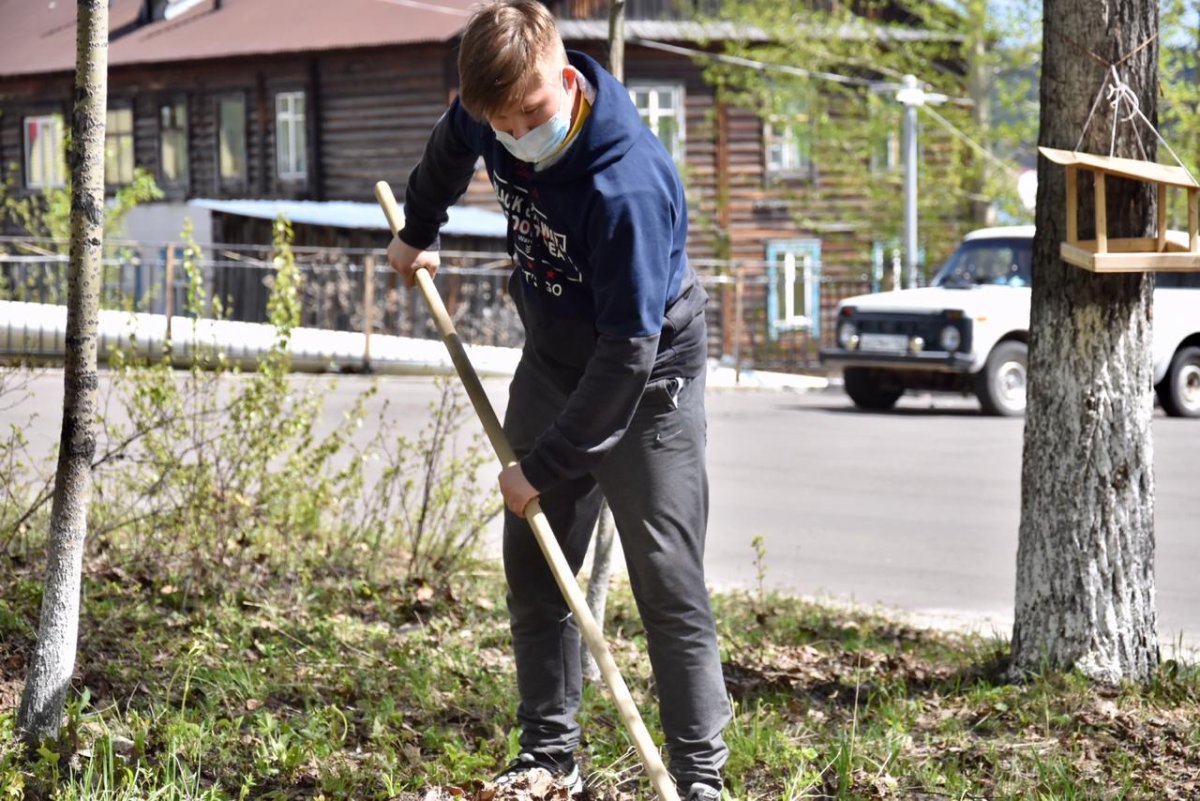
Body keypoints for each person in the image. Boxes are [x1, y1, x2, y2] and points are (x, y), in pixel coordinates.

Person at [386, 2, 730, 798]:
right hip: (554, 358)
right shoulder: (492, 113)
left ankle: (700, 778)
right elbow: (447, 149)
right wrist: (418, 227)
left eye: (532, 111)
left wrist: (541, 464)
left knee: (666, 576)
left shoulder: (627, 185)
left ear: (565, 73)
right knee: (538, 563)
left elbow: (627, 356)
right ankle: (548, 757)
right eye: (499, 119)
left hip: (649, 379)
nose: (517, 131)